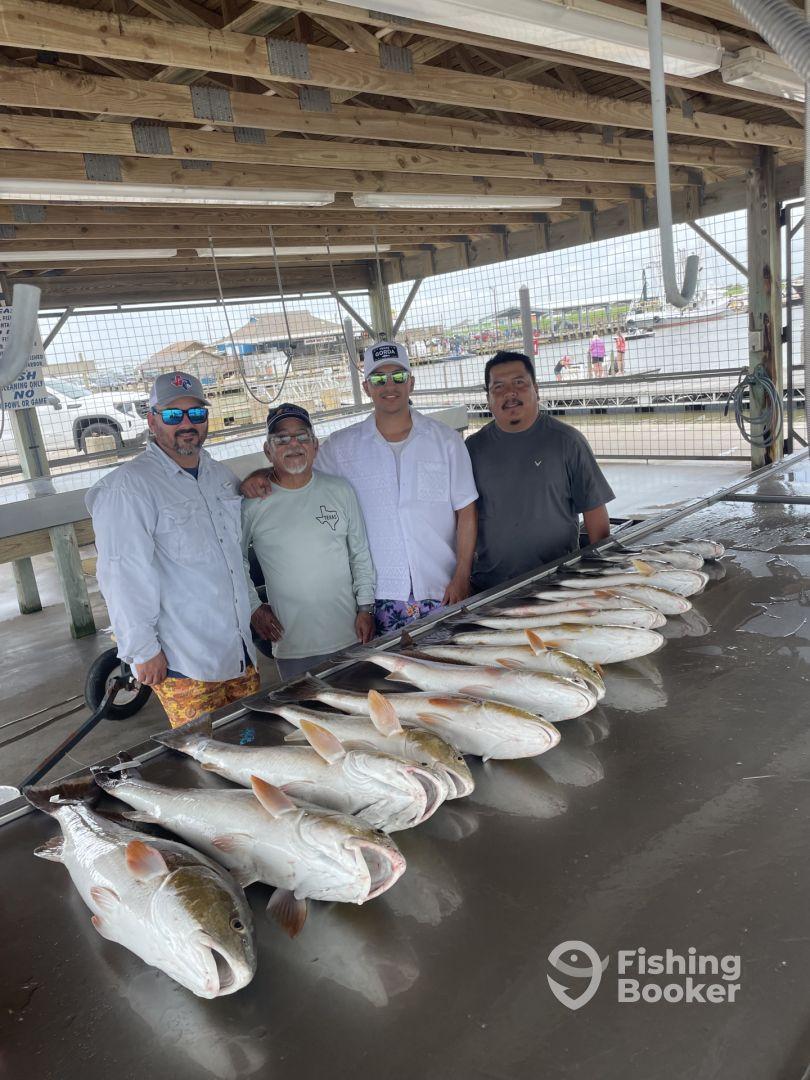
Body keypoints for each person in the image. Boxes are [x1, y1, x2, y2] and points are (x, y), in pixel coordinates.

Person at [241, 340, 478, 635]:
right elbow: (298, 469)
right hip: (379, 598)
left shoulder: (446, 441)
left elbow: (466, 511)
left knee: (449, 671)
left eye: (398, 376)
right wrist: (262, 474)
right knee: (392, 678)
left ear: (411, 383)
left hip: (442, 586)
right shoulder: (342, 447)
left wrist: (462, 575)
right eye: (378, 378)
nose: (388, 385)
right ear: (366, 387)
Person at [86, 371, 259, 727]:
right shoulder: (130, 487)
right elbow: (122, 574)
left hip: (238, 649)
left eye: (196, 414)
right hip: (186, 660)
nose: (186, 424)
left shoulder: (218, 475)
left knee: (252, 741)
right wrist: (142, 650)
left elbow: (232, 555)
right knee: (206, 760)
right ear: (152, 420)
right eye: (172, 415)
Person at [242, 402, 376, 681]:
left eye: (302, 436)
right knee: (306, 718)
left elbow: (360, 554)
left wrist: (365, 608)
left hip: (348, 633)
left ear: (315, 445)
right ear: (268, 450)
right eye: (281, 438)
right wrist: (254, 607)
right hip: (291, 644)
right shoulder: (253, 504)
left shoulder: (340, 491)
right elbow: (234, 559)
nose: (293, 444)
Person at [466, 351, 614, 592]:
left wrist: (601, 573)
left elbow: (595, 514)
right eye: (498, 387)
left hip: (559, 582)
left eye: (519, 383)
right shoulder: (472, 449)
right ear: (488, 399)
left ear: (536, 389)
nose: (510, 393)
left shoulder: (568, 442)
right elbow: (464, 519)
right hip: (490, 587)